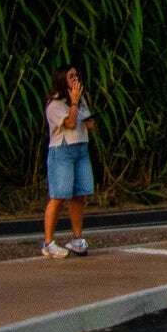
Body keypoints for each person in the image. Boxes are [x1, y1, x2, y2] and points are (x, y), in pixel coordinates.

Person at [42, 64, 96, 258]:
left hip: (80, 148)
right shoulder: (54, 104)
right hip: (62, 150)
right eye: (71, 76)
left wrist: (89, 121)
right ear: (62, 79)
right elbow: (70, 123)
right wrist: (73, 102)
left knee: (79, 194)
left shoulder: (79, 100)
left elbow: (86, 122)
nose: (75, 79)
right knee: (59, 195)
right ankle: (48, 242)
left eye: (76, 75)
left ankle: (77, 239)